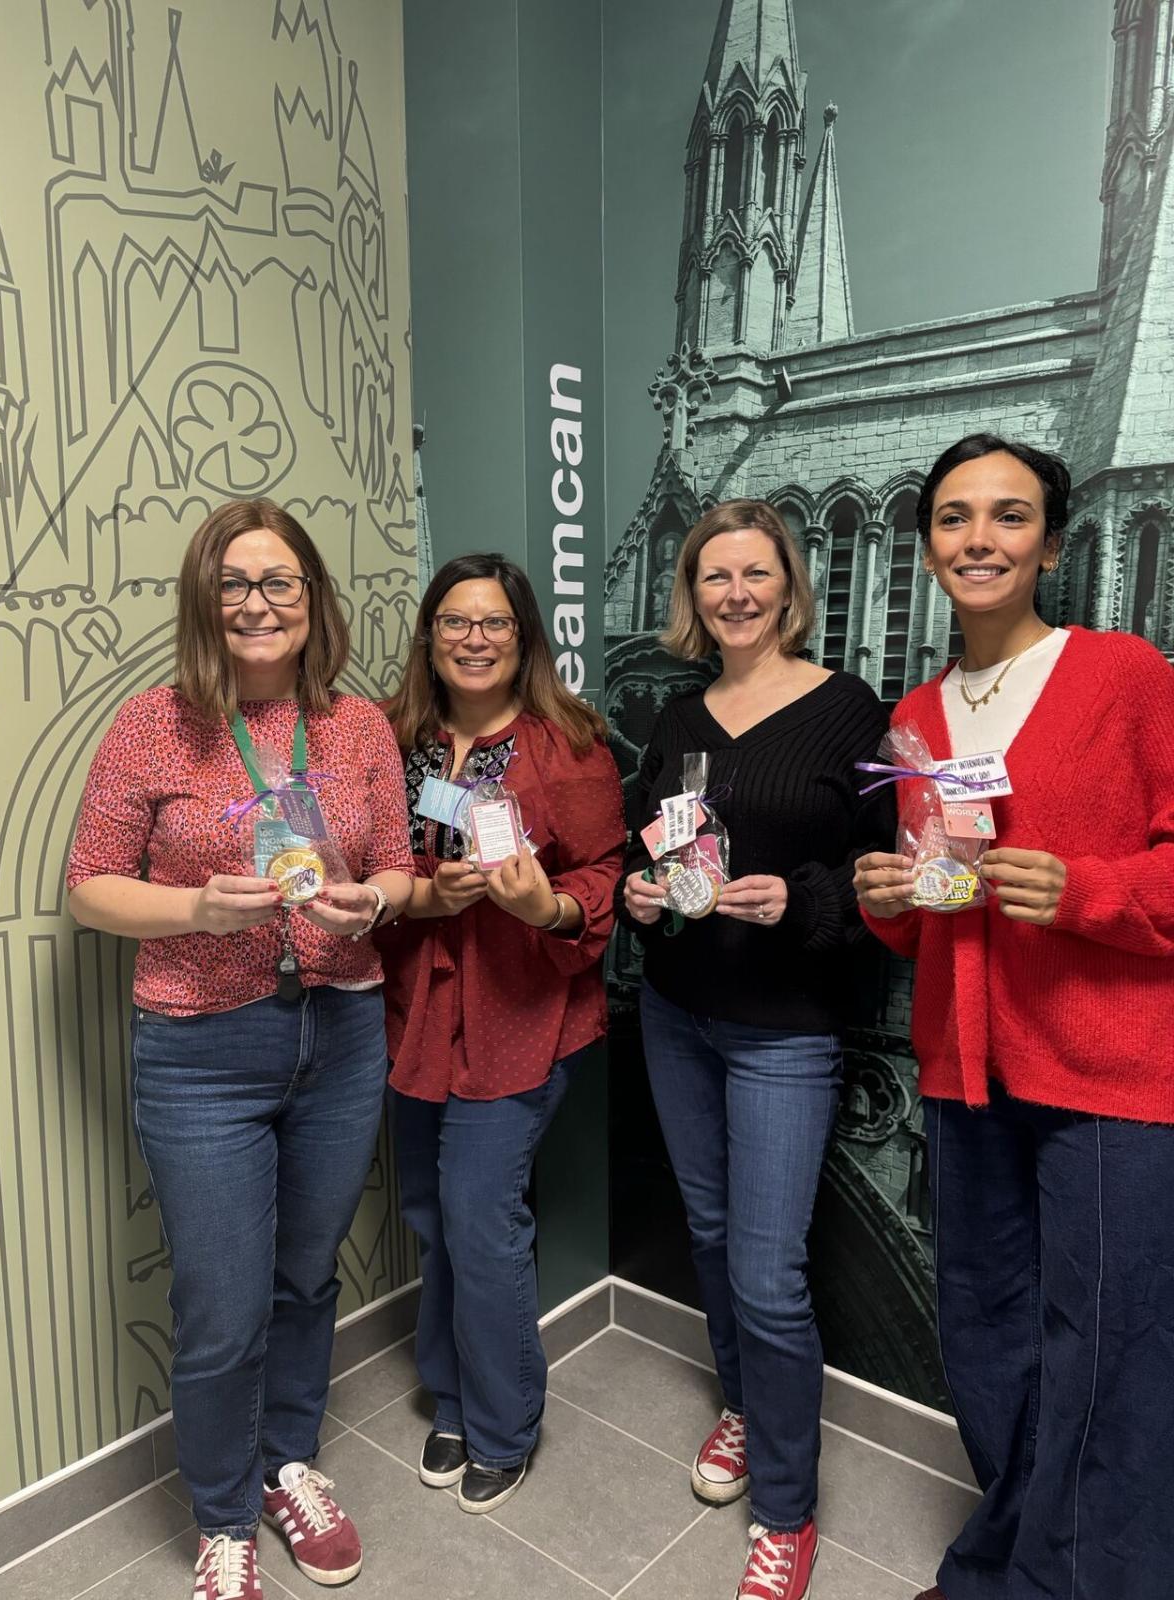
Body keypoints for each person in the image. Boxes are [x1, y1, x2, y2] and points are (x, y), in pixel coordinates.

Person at [66, 500, 414, 1600]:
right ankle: (224, 1516)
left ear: (314, 604)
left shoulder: (356, 726)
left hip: (344, 1031)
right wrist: (191, 914)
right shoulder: (152, 725)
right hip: (200, 1050)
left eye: (280, 584)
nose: (257, 605)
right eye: (234, 583)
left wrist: (375, 901)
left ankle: (287, 1461)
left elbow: (400, 864)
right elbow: (87, 887)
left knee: (306, 1277)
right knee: (221, 1302)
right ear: (203, 602)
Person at [854, 434, 1174, 1600]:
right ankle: (1012, 1557)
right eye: (953, 517)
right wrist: (885, 897)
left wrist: (1087, 890)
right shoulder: (917, 714)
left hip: (1107, 1069)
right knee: (989, 1343)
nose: (977, 539)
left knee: (1107, 1360)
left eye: (1007, 515)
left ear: (1049, 536)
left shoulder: (1127, 676)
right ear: (928, 538)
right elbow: (927, 907)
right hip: (966, 1068)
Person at [617, 501, 891, 1600]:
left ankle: (787, 1506)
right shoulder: (682, 715)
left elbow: (890, 872)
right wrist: (644, 898)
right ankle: (740, 1405)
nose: (734, 592)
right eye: (714, 576)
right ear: (694, 593)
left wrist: (807, 895)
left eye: (754, 573)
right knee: (715, 1233)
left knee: (770, 1275)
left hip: (786, 1028)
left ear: (788, 586)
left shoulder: (849, 710)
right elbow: (657, 842)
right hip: (680, 1010)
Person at [378, 553, 625, 1515]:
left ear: (523, 639)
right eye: (454, 621)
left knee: (482, 1226)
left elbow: (605, 872)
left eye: (494, 623)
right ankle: (452, 1394)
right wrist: (417, 890)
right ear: (430, 637)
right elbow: (374, 855)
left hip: (519, 1015)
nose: (473, 639)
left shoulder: (567, 745)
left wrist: (551, 905)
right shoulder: (399, 739)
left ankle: (504, 1423)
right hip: (413, 1014)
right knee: (434, 1223)